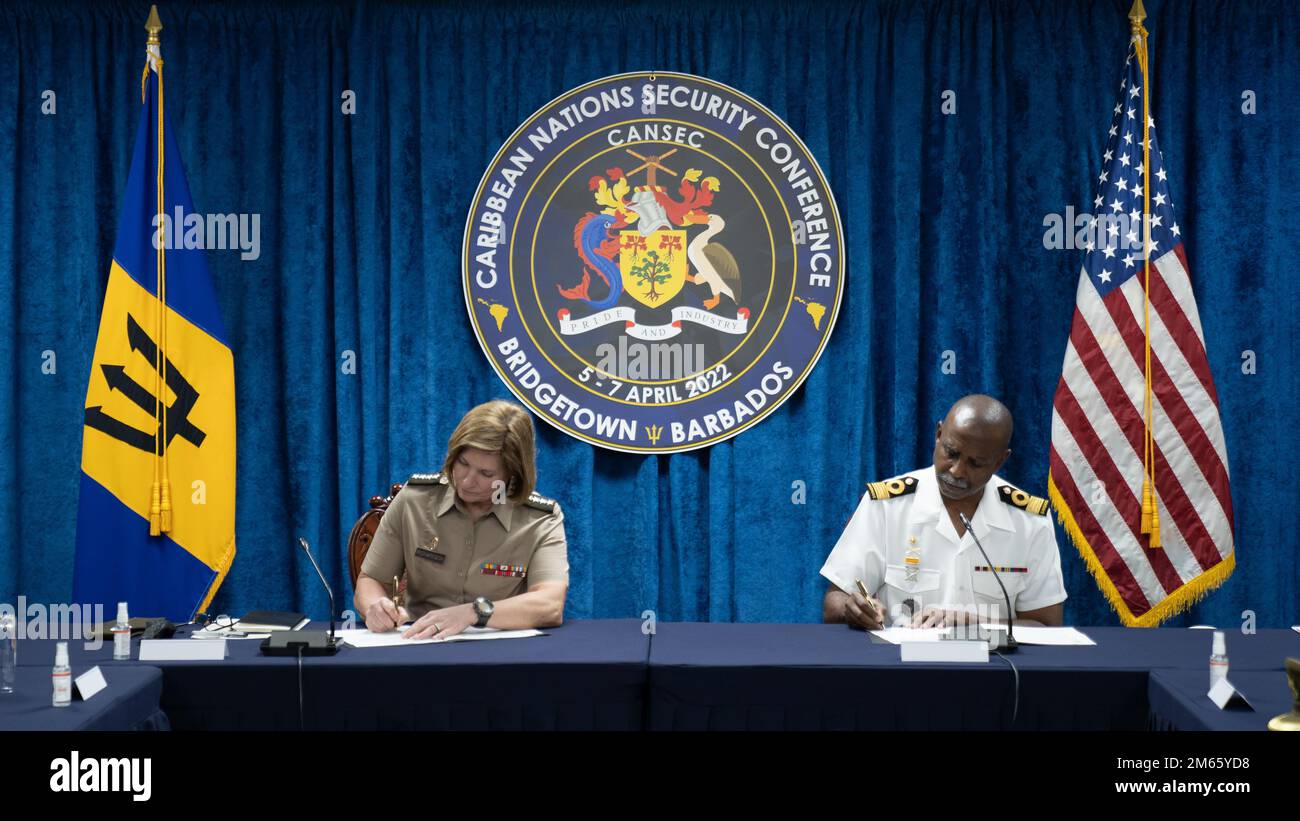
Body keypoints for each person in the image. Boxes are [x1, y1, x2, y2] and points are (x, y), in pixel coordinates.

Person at [821, 394, 1066, 630]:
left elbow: (1046, 625)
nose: (957, 471)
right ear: (938, 435)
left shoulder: (1029, 521)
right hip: (901, 666)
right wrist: (855, 609)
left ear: (1000, 461)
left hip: (994, 669)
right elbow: (834, 601)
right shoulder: (886, 505)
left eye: (976, 463)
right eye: (951, 453)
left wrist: (974, 624)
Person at [353, 400, 568, 640]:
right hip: (418, 642)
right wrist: (375, 607)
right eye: (463, 464)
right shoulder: (415, 499)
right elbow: (371, 579)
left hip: (501, 652)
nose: (467, 481)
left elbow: (550, 604)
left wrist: (473, 613)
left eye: (486, 474)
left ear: (513, 474)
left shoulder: (539, 519)